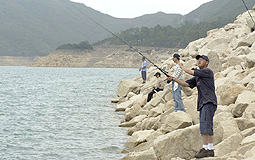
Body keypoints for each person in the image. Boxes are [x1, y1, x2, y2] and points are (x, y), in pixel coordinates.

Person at [167, 55, 217, 158]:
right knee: (207, 125)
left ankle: (206, 149)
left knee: (205, 125)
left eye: (201, 59)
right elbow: (185, 84)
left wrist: (181, 66)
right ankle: (209, 149)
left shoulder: (207, 72)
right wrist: (174, 79)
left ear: (207, 62)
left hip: (208, 101)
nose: (198, 61)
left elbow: (190, 72)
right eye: (197, 59)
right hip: (204, 102)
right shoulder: (198, 77)